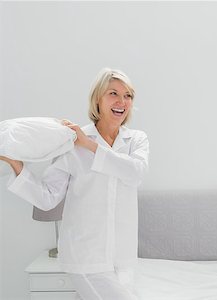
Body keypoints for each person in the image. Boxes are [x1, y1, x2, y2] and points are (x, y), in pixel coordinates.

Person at [1, 68, 149, 300]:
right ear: (97, 99)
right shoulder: (70, 143)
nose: (122, 101)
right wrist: (16, 165)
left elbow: (135, 173)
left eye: (128, 95)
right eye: (113, 93)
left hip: (123, 257)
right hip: (86, 256)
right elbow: (47, 197)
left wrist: (89, 146)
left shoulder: (136, 140)